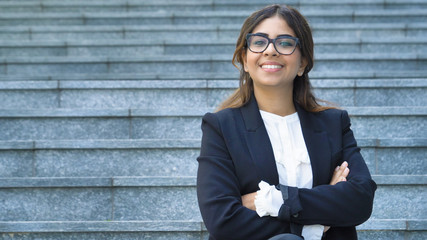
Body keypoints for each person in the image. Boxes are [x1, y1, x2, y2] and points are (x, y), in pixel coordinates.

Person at [196, 4, 377, 240]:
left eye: (285, 43)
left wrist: (272, 200)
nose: (270, 50)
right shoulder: (221, 127)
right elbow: (222, 219)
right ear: (245, 59)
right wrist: (312, 225)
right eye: (259, 42)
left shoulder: (334, 123)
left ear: (302, 63)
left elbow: (360, 200)